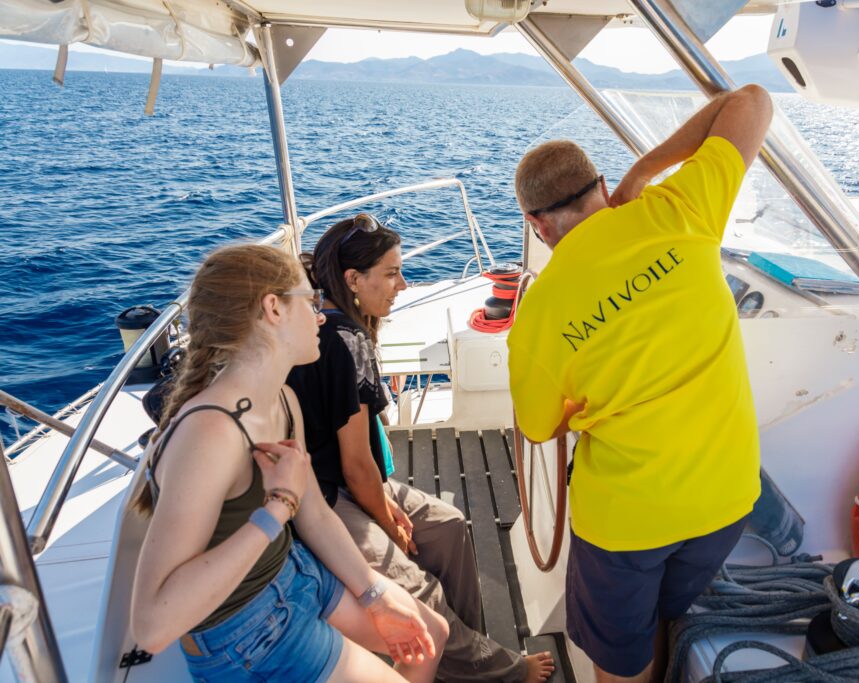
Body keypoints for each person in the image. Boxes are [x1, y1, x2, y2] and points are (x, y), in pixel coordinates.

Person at [507, 84, 774, 683]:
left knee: (621, 660)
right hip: (727, 501)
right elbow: (753, 101)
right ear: (602, 187)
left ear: (536, 224)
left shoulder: (538, 315)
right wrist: (644, 173)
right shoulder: (680, 209)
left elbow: (539, 425)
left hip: (627, 525)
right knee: (668, 614)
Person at [130, 244, 449, 683]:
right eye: (311, 300)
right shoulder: (210, 434)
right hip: (242, 632)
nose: (320, 315)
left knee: (429, 635)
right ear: (273, 309)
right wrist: (278, 506)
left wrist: (375, 593)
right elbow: (151, 626)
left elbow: (315, 515)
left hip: (293, 571)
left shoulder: (283, 398)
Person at [287, 215, 556, 683]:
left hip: (346, 483)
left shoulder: (330, 324)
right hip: (327, 498)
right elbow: (356, 467)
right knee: (422, 590)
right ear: (353, 279)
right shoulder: (345, 341)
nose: (403, 285)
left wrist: (388, 506)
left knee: (448, 525)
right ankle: (496, 671)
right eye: (391, 273)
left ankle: (464, 651)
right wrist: (389, 520)